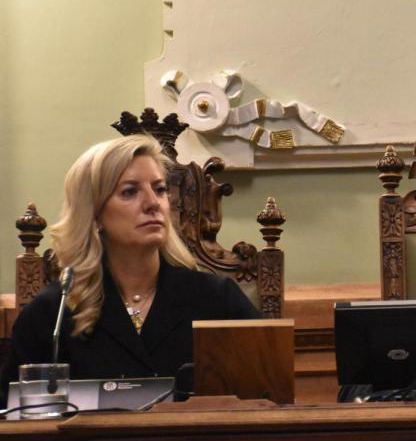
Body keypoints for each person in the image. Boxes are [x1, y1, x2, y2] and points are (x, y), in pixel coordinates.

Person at [1, 135, 260, 407]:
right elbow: (14, 424)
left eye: (159, 189)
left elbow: (268, 400)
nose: (153, 203)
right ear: (95, 215)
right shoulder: (52, 314)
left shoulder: (217, 299)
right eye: (130, 191)